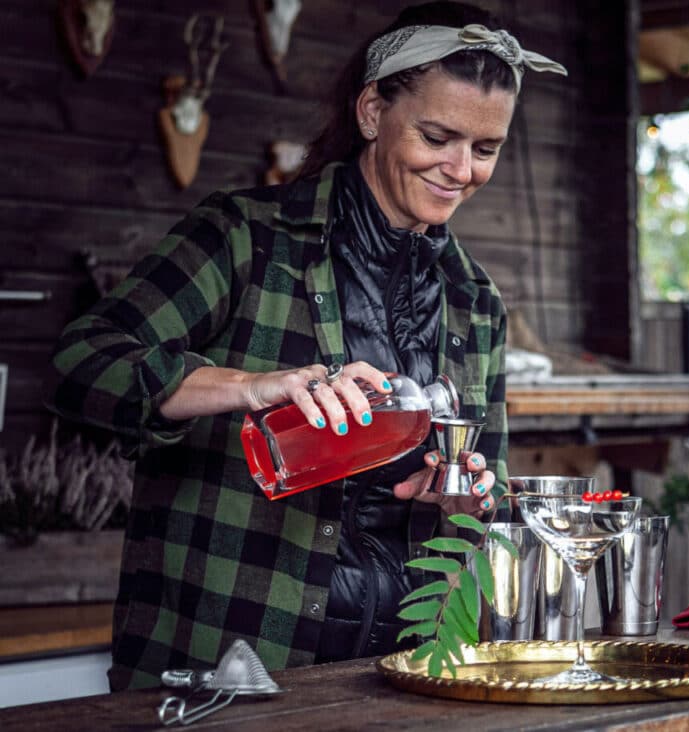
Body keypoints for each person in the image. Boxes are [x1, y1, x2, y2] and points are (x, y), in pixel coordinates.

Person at [47, 1, 567, 691]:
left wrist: (463, 498)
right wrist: (248, 386)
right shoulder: (243, 237)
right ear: (373, 113)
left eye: (486, 148)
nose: (461, 169)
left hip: (411, 666)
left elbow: (484, 494)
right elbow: (79, 364)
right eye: (438, 136)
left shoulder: (475, 300)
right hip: (241, 658)